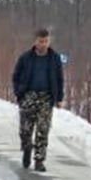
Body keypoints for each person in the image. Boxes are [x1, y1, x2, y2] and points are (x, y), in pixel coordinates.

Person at [11, 28, 64, 172]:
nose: (43, 44)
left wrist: (59, 98)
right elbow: (16, 76)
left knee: (43, 128)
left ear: (49, 41)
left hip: (46, 97)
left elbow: (59, 79)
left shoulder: (54, 59)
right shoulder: (26, 58)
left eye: (46, 41)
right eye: (41, 41)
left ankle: (39, 160)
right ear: (35, 41)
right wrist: (18, 92)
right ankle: (27, 148)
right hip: (28, 96)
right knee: (25, 130)